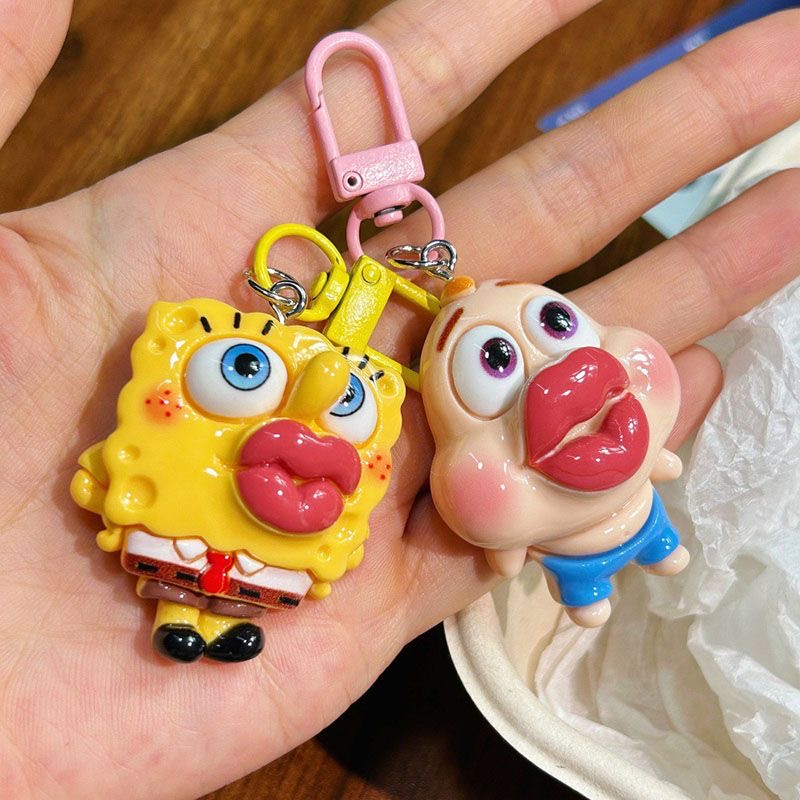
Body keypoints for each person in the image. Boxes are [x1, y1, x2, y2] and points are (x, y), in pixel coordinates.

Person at [1, 0, 798, 797]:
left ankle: (646, 544)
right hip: (184, 547)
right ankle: (187, 616)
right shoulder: (177, 407)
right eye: (242, 371)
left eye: (555, 325)